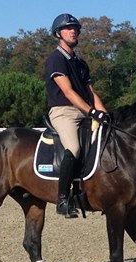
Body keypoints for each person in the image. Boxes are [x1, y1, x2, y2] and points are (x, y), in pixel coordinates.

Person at [45, 13, 110, 217]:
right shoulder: (55, 59)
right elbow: (68, 92)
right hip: (63, 111)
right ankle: (63, 199)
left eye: (75, 28)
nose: (73, 31)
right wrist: (91, 111)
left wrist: (105, 115)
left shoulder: (81, 64)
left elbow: (91, 93)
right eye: (68, 28)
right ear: (58, 34)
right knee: (73, 148)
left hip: (84, 112)